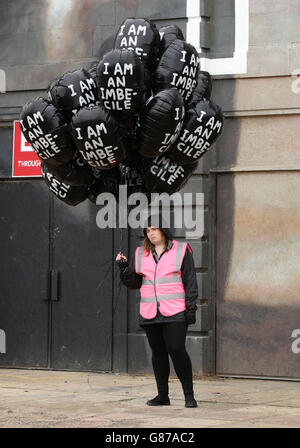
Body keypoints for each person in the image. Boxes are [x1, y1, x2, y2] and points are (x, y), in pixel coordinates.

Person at [115, 213, 198, 408]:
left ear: (164, 229)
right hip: (150, 311)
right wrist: (124, 268)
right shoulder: (140, 253)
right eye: (148, 231)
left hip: (176, 311)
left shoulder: (181, 250)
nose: (151, 233)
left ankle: (189, 395)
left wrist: (191, 310)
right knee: (158, 352)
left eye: (154, 229)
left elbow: (191, 281)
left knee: (176, 349)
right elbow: (135, 283)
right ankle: (163, 395)